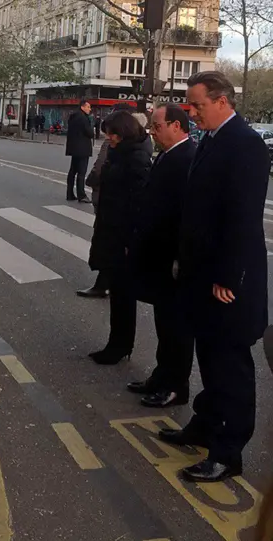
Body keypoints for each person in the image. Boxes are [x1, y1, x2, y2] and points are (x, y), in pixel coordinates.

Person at [158, 71, 270, 482]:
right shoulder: (214, 140)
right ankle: (204, 427)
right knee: (209, 359)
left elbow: (242, 217)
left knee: (230, 367)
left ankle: (228, 451)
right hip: (202, 276)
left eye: (197, 105)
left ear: (222, 101)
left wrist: (227, 275)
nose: (191, 112)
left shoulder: (246, 144)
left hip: (228, 282)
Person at [127, 103, 196, 408]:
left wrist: (179, 257)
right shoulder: (169, 155)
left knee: (176, 327)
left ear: (177, 126)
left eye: (156, 126)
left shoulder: (186, 158)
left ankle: (175, 385)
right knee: (163, 322)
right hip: (157, 253)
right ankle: (161, 374)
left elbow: (185, 215)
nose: (151, 132)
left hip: (171, 257)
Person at [87, 110, 152, 365]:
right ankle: (117, 343)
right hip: (112, 231)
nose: (109, 139)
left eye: (112, 134)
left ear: (123, 133)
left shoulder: (135, 159)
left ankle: (120, 346)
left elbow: (137, 204)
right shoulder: (121, 154)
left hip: (123, 236)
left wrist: (129, 241)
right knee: (118, 293)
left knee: (123, 296)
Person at [78, 103, 134, 299]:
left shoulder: (117, 146)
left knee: (108, 242)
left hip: (109, 202)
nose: (108, 136)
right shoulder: (137, 141)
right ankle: (104, 281)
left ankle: (105, 283)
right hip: (113, 205)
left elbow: (100, 168)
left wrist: (91, 181)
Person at [65, 99, 94, 203]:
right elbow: (89, 133)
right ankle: (81, 195)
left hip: (74, 148)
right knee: (81, 173)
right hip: (83, 148)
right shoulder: (83, 118)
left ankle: (69, 193)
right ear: (82, 107)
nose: (90, 109)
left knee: (73, 171)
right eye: (88, 107)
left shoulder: (73, 117)